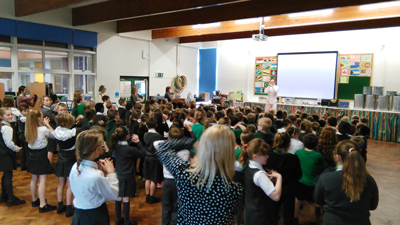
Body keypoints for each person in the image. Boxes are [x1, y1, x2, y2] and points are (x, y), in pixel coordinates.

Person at [155, 125, 243, 225]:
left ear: (203, 147)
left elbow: (162, 148)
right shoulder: (235, 190)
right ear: (229, 152)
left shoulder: (185, 175)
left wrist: (193, 142)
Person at [314, 140, 379, 225]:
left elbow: (318, 202)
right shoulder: (369, 180)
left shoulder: (326, 178)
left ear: (337, 157)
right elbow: (373, 206)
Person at [69, 130, 118, 225]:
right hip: (94, 216)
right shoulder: (95, 176)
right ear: (97, 150)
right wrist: (111, 173)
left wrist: (99, 171)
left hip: (78, 214)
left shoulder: (75, 166)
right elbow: (113, 194)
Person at [239, 138, 282, 225]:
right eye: (265, 155)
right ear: (255, 157)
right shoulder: (259, 174)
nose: (268, 157)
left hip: (251, 213)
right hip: (261, 217)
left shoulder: (249, 166)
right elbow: (276, 196)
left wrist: (269, 180)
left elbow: (255, 186)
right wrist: (279, 177)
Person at [54, 113, 89, 217]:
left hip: (61, 156)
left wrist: (74, 124)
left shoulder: (57, 130)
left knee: (61, 184)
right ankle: (69, 207)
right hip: (70, 157)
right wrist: (82, 119)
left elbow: (70, 127)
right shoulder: (72, 132)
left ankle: (60, 205)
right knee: (70, 185)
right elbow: (85, 127)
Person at [111, 126, 146, 225]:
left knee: (118, 198)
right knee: (126, 198)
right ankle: (126, 221)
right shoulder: (129, 149)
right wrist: (138, 142)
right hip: (128, 176)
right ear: (127, 136)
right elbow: (143, 153)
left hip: (118, 175)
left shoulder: (115, 146)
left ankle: (118, 220)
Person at [265, 132, 302, 225]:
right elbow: (299, 175)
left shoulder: (269, 156)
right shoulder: (293, 158)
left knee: (273, 211)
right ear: (289, 144)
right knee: (288, 213)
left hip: (273, 187)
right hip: (289, 188)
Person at [25, 109, 57, 213]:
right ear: (38, 118)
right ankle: (43, 205)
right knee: (43, 180)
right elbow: (54, 135)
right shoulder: (43, 129)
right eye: (42, 117)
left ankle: (35, 200)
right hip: (41, 155)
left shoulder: (28, 129)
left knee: (34, 179)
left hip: (31, 155)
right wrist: (47, 124)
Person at [162, 127, 191, 225]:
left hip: (167, 181)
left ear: (169, 138)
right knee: (177, 206)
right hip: (179, 182)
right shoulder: (186, 152)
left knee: (166, 207)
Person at [294, 134, 325, 225]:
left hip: (299, 180)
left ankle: (295, 218)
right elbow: (322, 165)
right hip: (311, 182)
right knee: (311, 203)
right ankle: (312, 221)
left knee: (297, 201)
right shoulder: (317, 155)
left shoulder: (298, 152)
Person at [0, 108, 25, 207]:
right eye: (8, 115)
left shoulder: (2, 126)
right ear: (1, 117)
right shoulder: (7, 128)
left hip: (1, 153)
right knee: (8, 175)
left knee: (5, 174)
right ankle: (11, 198)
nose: (10, 116)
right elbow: (9, 143)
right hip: (6, 153)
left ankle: (4, 195)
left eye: (11, 114)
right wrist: (17, 149)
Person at [143, 118, 164, 204]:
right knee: (154, 179)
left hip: (147, 157)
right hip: (155, 158)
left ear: (147, 126)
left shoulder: (145, 135)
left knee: (148, 178)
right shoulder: (159, 136)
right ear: (156, 125)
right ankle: (152, 197)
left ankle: (147, 196)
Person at [39, 95, 58, 165]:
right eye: (46, 100)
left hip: (46, 130)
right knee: (50, 149)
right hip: (49, 130)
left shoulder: (45, 110)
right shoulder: (46, 111)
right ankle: (48, 166)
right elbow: (55, 119)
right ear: (42, 102)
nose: (49, 101)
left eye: (49, 100)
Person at [18, 105, 29, 171]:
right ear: (20, 111)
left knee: (24, 151)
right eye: (25, 111)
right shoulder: (21, 118)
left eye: (27, 111)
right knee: (27, 151)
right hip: (23, 135)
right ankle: (28, 166)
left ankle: (23, 165)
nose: (27, 112)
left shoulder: (23, 117)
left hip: (21, 135)